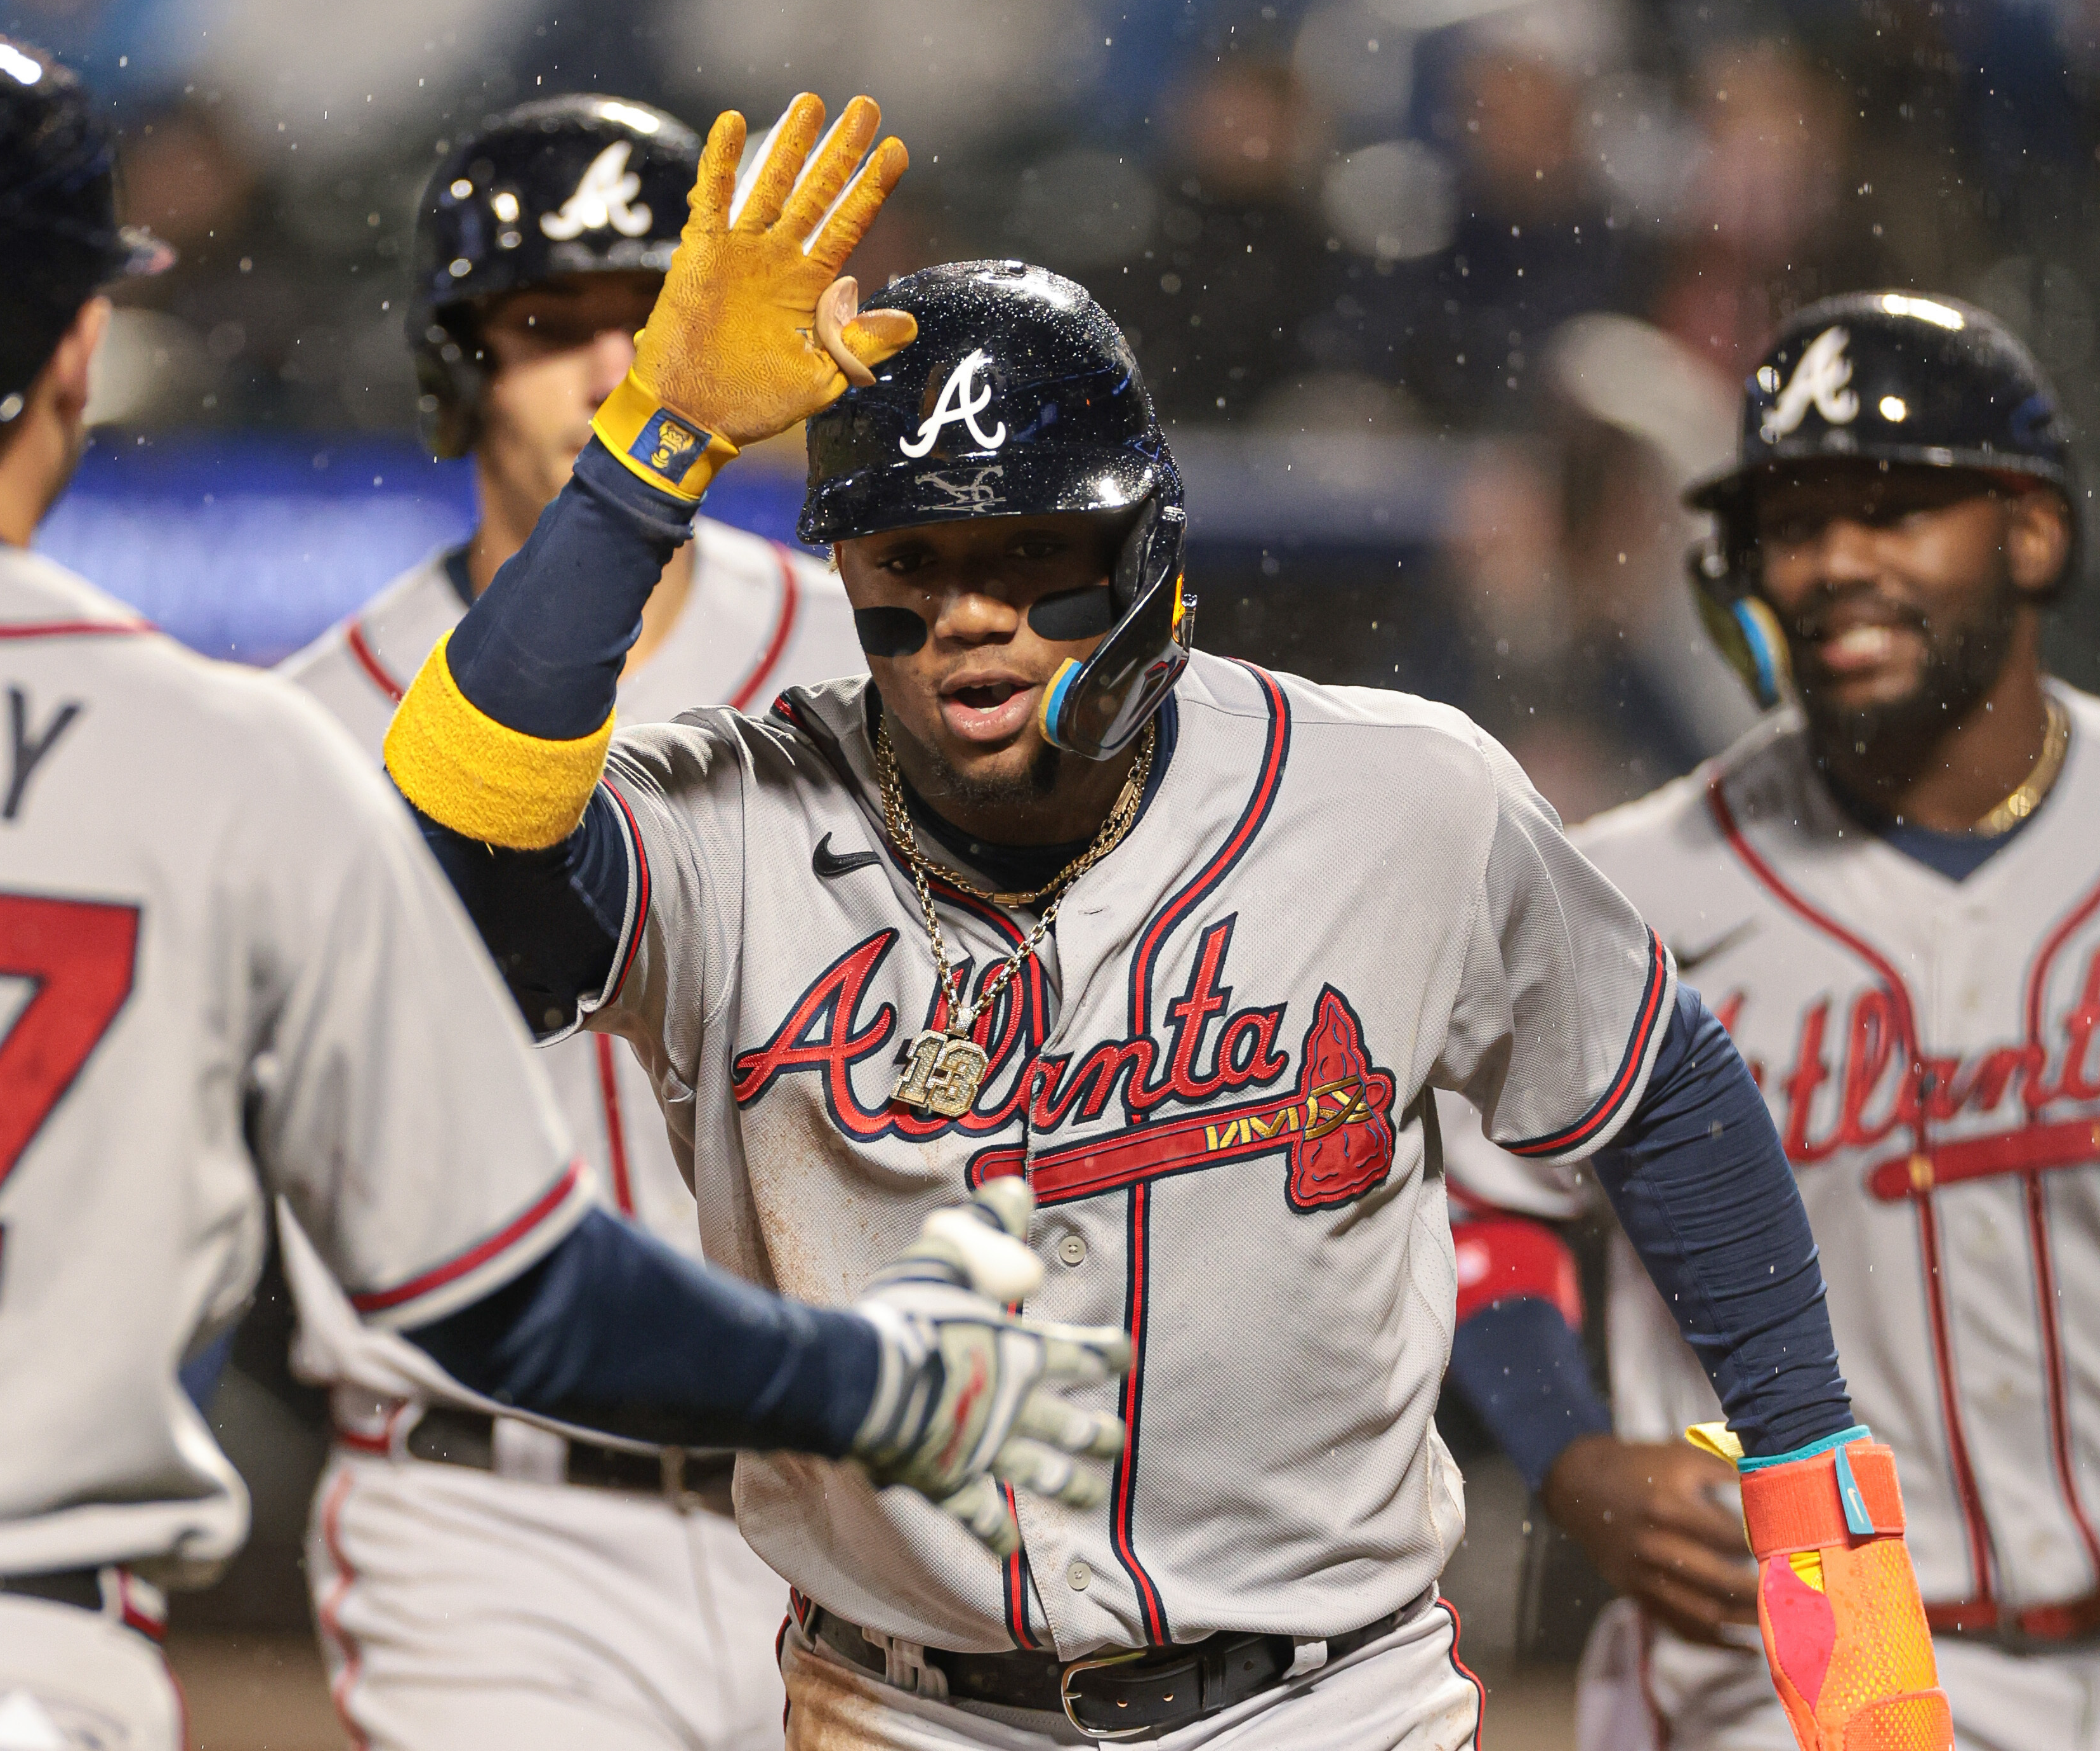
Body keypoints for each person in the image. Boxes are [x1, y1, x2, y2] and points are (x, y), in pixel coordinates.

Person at [0, 29, 1127, 1751]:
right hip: (4, 1658)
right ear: (78, 346)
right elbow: (502, 1284)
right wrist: (879, 1379)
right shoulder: (230, 750)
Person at [383, 93, 1951, 1750]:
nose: (968, 618)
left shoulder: (1396, 797)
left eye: (1032, 554)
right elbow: (451, 857)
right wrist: (656, 441)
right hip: (905, 1706)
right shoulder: (729, 822)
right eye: (910, 564)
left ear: (1149, 554)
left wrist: (1815, 1492)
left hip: (1330, 1695)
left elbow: (1663, 1093)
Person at [279, 94, 858, 1751]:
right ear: (455, 366)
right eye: (551, 325)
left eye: (651, 315)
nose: (616, 369)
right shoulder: (307, 725)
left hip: (865, 1500)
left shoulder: (870, 663)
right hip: (489, 1517)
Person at [1443, 291, 2098, 1751]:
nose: (1835, 564)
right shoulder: (1626, 884)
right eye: (1793, 525)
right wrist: (1570, 1455)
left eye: (1892, 508)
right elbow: (1474, 1208)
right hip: (1785, 1663)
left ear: (2031, 533)